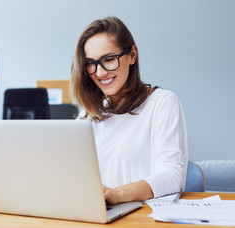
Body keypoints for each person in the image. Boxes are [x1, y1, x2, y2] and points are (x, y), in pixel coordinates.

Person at [70, 17, 188, 204]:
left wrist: (117, 194)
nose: (99, 73)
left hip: (144, 220)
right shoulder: (87, 116)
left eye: (109, 59)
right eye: (91, 63)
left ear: (132, 55)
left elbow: (172, 176)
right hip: (99, 220)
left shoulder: (162, 103)